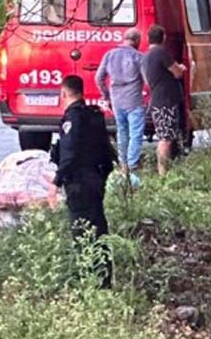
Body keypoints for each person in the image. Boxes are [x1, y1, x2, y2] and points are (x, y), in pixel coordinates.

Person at [52, 75, 116, 288]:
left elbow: (69, 154)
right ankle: (104, 280)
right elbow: (108, 152)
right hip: (95, 180)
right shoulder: (94, 115)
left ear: (63, 93)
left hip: (79, 184)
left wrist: (56, 182)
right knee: (99, 230)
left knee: (82, 233)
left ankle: (89, 281)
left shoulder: (73, 119)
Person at [95, 27, 145, 172]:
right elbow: (147, 80)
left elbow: (99, 78)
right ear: (137, 41)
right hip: (134, 99)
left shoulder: (110, 55)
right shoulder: (138, 57)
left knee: (122, 131)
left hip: (116, 99)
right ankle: (132, 164)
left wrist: (106, 95)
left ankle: (123, 164)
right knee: (136, 133)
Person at [141, 25, 186, 175]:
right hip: (165, 101)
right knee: (165, 138)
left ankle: (164, 171)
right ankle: (163, 173)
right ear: (164, 38)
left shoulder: (146, 56)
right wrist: (182, 68)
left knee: (165, 136)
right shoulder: (161, 53)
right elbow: (177, 73)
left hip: (156, 100)